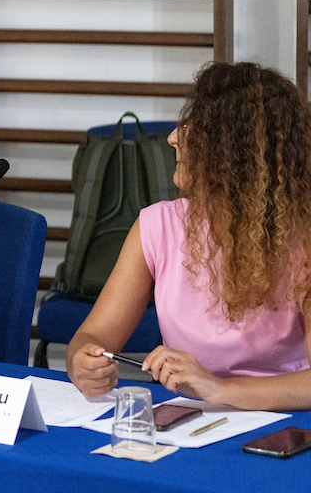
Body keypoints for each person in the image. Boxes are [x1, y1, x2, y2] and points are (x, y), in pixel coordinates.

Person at [68, 62, 311, 411]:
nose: (172, 138)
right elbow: (93, 336)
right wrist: (83, 363)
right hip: (190, 424)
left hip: (282, 425)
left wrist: (218, 390)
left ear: (234, 150)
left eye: (194, 127)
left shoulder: (304, 239)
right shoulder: (156, 226)